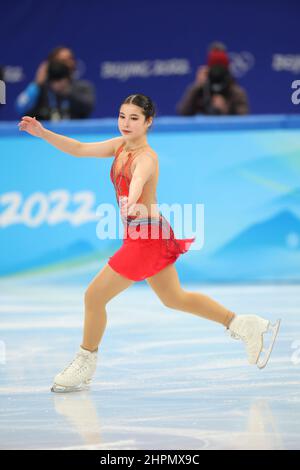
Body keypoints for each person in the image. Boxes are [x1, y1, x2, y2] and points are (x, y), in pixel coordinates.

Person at [18, 94, 280, 393]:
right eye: (121, 116)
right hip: (144, 234)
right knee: (174, 298)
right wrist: (43, 133)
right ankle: (245, 324)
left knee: (93, 297)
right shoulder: (119, 147)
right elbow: (79, 149)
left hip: (147, 238)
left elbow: (140, 178)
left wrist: (131, 198)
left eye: (133, 118)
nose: (125, 124)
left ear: (148, 122)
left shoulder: (146, 156)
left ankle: (85, 360)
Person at [15, 46, 95, 120]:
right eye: (62, 61)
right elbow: (20, 108)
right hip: (43, 133)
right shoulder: (40, 89)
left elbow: (88, 108)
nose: (67, 64)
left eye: (70, 59)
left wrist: (67, 91)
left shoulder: (82, 87)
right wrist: (36, 83)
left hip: (74, 133)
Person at [177, 41, 249, 116]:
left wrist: (225, 110)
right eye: (214, 68)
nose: (217, 74)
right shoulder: (201, 90)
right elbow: (183, 112)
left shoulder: (235, 92)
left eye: (220, 69)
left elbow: (243, 120)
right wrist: (197, 86)